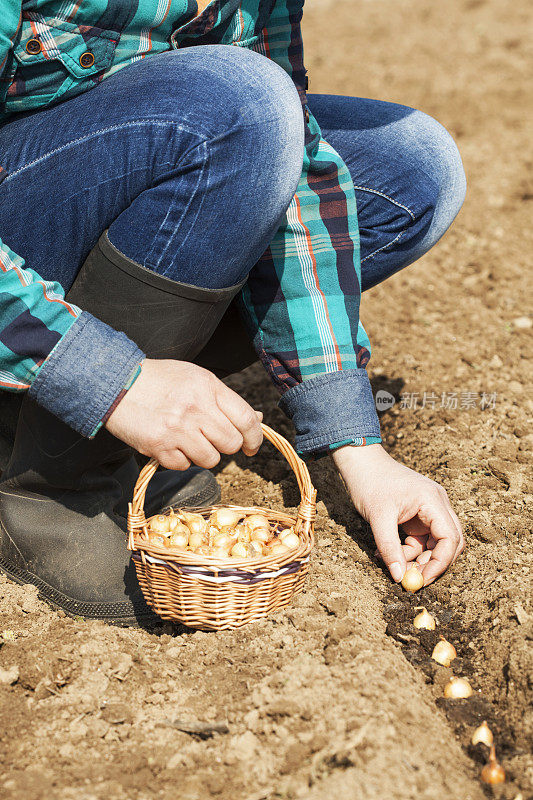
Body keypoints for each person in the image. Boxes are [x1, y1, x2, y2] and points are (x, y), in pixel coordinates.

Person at [0, 0, 466, 625]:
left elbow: (293, 167)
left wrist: (358, 447)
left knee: (412, 169)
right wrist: (112, 382)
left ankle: (122, 414)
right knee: (240, 103)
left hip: (114, 164)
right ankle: (50, 478)